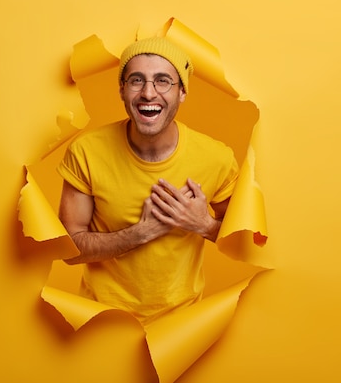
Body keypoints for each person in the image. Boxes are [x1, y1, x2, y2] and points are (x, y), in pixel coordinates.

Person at [56, 37, 239, 325]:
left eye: (163, 81)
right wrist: (140, 234)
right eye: (136, 80)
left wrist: (203, 224)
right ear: (122, 90)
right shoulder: (87, 152)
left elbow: (242, 240)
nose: (148, 93)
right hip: (101, 320)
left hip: (182, 325)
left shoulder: (216, 158)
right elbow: (68, 248)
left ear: (181, 93)